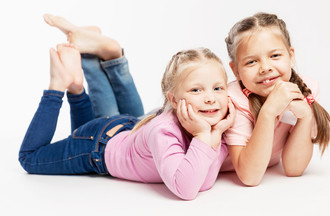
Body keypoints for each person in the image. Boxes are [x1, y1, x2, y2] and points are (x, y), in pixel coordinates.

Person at [18, 38, 235, 199]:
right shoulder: (165, 130)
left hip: (124, 128)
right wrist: (208, 136)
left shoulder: (216, 124)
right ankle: (58, 85)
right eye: (196, 90)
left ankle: (76, 87)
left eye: (217, 88)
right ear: (174, 99)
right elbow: (187, 188)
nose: (210, 98)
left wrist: (214, 134)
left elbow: (203, 179)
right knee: (29, 158)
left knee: (80, 131)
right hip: (96, 148)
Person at [224, 12, 330, 186]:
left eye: (275, 56)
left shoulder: (305, 90)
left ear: (291, 56)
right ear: (236, 70)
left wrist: (304, 118)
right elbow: (250, 177)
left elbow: (294, 169)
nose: (265, 68)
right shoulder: (233, 100)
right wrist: (268, 112)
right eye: (251, 62)